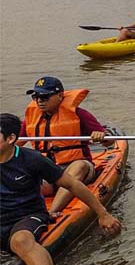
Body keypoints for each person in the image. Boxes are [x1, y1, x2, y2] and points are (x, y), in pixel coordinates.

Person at [1, 113, 121, 265]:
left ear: (10, 139)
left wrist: (103, 213)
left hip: (26, 216)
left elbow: (73, 185)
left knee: (21, 240)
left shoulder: (31, 159)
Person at [18, 76, 111, 216]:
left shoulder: (79, 114)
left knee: (79, 166)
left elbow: (109, 142)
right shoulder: (31, 119)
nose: (39, 101)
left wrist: (101, 136)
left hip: (78, 168)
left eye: (45, 96)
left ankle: (52, 212)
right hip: (49, 173)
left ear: (60, 96)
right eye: (36, 96)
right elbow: (12, 144)